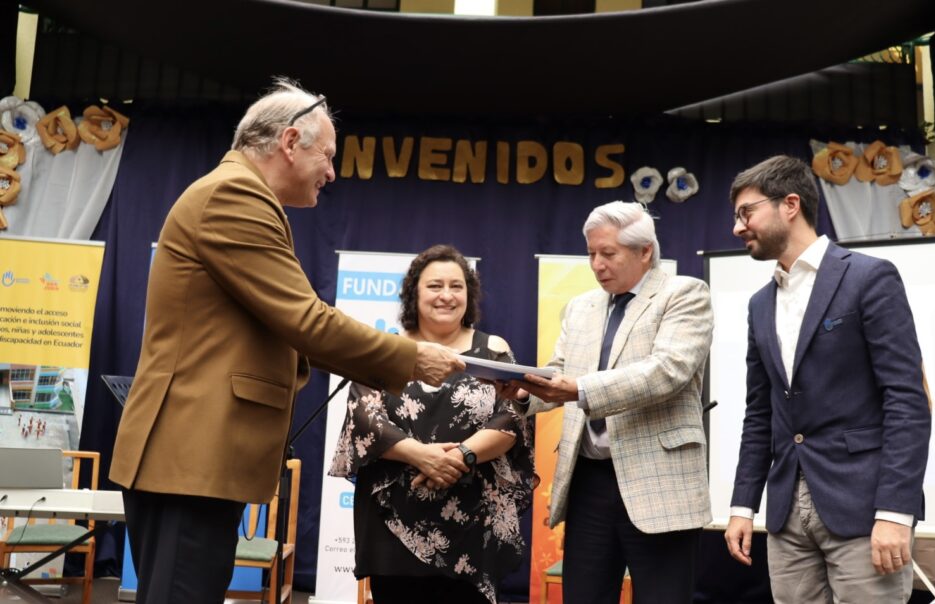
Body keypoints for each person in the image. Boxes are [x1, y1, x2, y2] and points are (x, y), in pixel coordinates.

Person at [108, 79, 464, 604]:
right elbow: (307, 322)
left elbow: (296, 328)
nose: (332, 173)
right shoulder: (235, 196)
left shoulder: (239, 195)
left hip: (195, 459)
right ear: (290, 142)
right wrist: (414, 357)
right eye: (328, 155)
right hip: (191, 458)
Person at [723, 155, 931, 603]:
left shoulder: (869, 278)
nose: (738, 227)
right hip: (786, 517)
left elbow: (906, 401)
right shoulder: (759, 304)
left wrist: (896, 511)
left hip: (863, 509)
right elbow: (759, 414)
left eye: (747, 212)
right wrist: (743, 506)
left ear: (790, 204)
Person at [500, 200, 713, 603]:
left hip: (659, 480)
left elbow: (667, 371)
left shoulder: (684, 293)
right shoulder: (581, 307)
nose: (597, 264)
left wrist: (579, 389)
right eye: (591, 254)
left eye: (608, 253)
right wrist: (524, 391)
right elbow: (559, 370)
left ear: (645, 251)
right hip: (589, 480)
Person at [329, 244, 534, 604]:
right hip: (392, 521)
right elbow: (365, 420)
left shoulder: (495, 350)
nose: (446, 295)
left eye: (457, 286)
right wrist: (423, 456)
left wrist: (461, 457)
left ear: (469, 295)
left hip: (474, 522)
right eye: (435, 286)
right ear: (414, 293)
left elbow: (511, 420)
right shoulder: (385, 349)